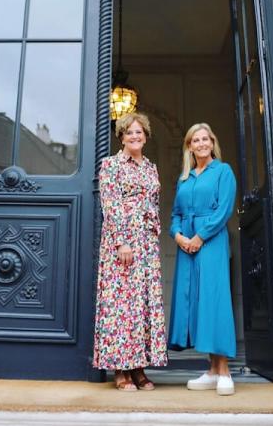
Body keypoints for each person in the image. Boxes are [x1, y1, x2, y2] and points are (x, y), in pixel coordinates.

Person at [92, 112, 168, 391]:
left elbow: (154, 203)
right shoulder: (111, 165)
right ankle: (120, 369)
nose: (135, 137)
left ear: (145, 136)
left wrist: (153, 233)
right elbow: (110, 205)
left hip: (147, 242)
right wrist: (122, 241)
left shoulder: (151, 167)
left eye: (139, 132)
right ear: (121, 136)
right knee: (121, 304)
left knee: (142, 304)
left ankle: (138, 367)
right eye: (129, 133)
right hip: (122, 242)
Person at [167, 123, 238, 396]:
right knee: (196, 303)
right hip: (186, 244)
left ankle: (224, 371)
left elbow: (224, 210)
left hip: (211, 242)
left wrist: (200, 236)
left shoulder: (223, 171)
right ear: (189, 146)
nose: (201, 144)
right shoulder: (184, 178)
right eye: (195, 140)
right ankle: (211, 370)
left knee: (214, 300)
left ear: (212, 142)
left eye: (205, 139)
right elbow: (174, 213)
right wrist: (178, 236)